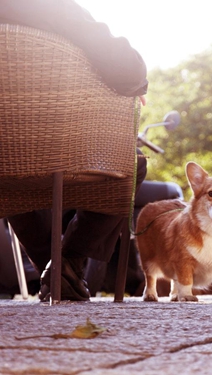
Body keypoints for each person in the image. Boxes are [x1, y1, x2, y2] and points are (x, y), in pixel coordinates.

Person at [0, 0, 149, 301]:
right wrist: (139, 84)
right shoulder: (53, 8)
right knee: (132, 164)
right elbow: (127, 68)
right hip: (65, 148)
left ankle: (53, 270)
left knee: (9, 170)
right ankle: (68, 263)